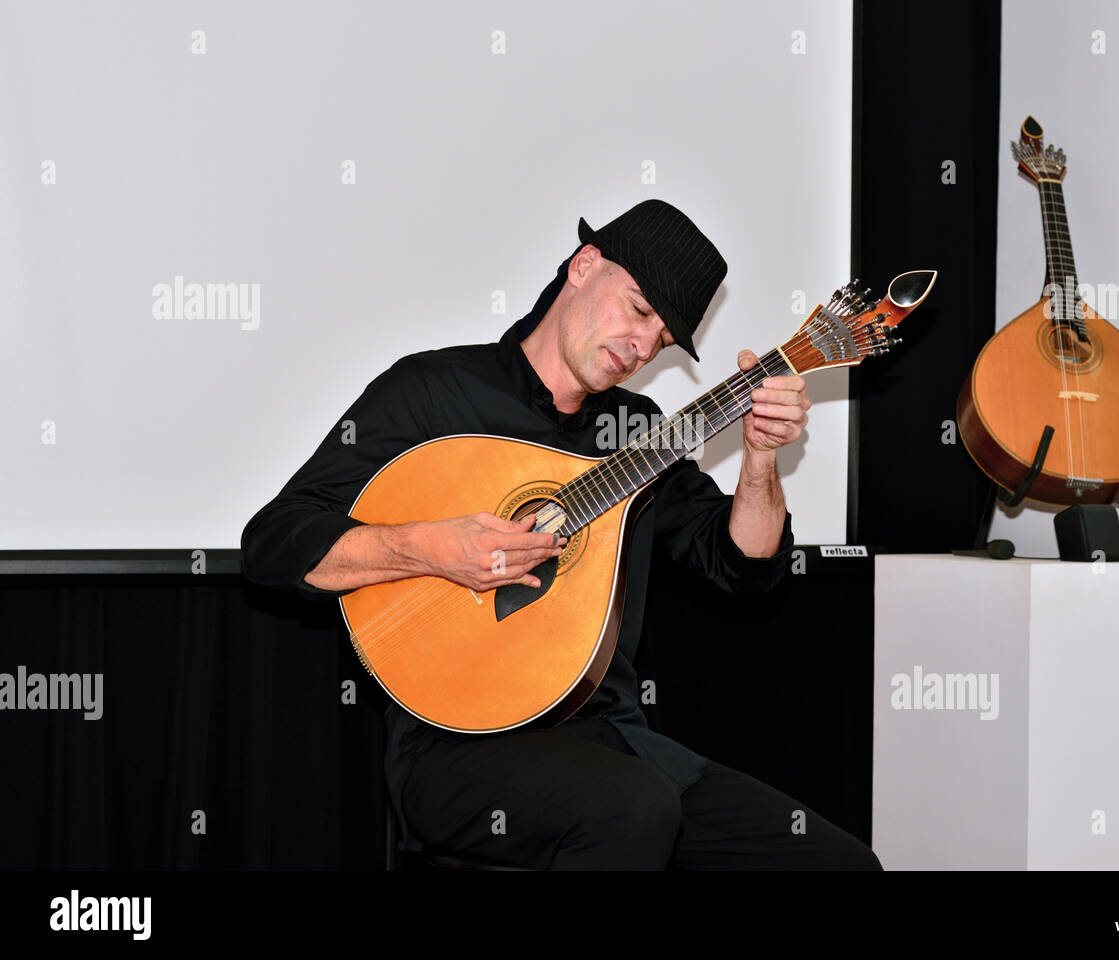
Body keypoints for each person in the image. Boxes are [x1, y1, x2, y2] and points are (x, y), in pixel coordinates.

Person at [241, 199, 882, 870]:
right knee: (633, 809)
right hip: (456, 747)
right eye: (639, 311)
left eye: (661, 339)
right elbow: (275, 543)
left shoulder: (640, 436)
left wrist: (759, 461)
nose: (642, 346)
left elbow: (744, 568)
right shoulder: (435, 394)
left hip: (614, 738)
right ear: (584, 267)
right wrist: (434, 548)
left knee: (839, 865)